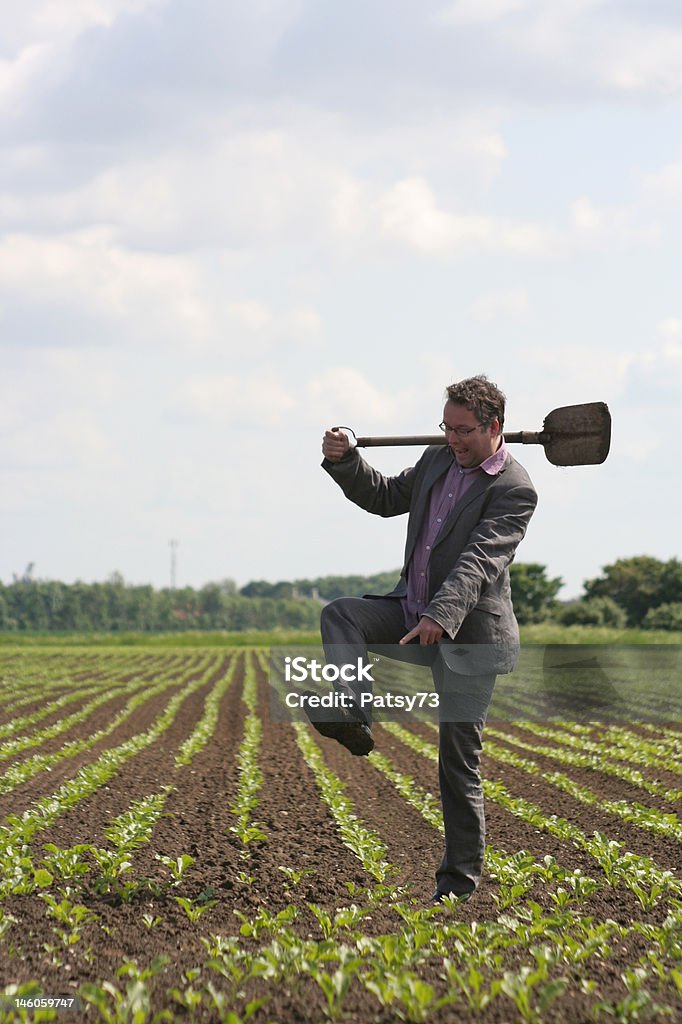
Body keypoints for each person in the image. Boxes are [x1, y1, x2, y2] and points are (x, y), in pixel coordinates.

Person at [307, 374, 538, 903]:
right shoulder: (437, 460)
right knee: (342, 615)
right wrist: (346, 461)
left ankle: (458, 885)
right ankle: (352, 714)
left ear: (494, 427)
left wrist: (442, 613)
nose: (452, 440)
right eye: (446, 428)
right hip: (410, 615)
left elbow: (481, 559)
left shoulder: (514, 489)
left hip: (469, 640)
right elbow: (387, 497)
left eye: (463, 431)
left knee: (457, 761)